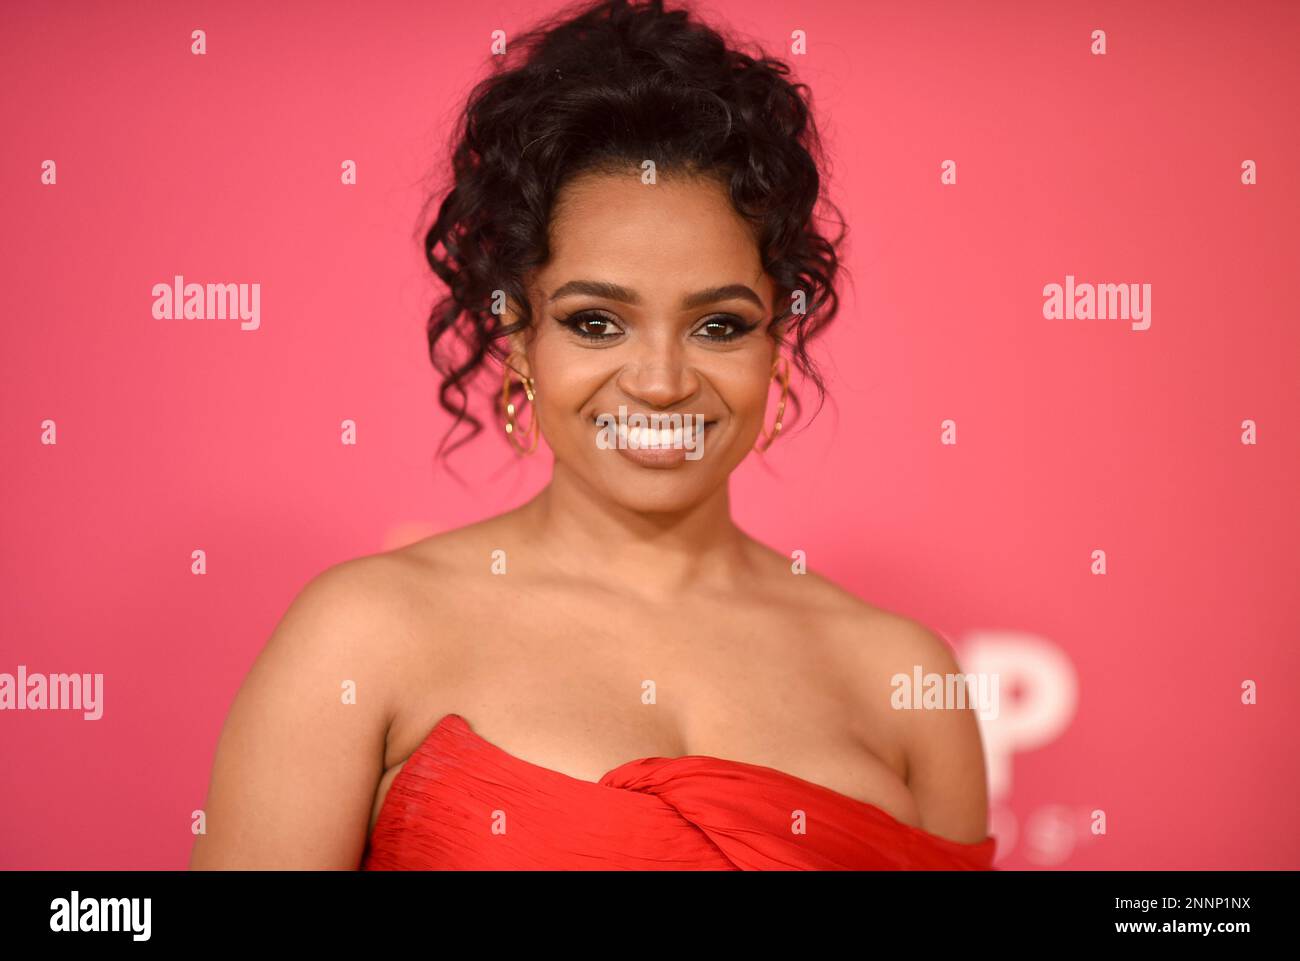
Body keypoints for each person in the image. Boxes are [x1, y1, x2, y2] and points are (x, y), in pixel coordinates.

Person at [190, 0, 995, 870]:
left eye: (718, 325)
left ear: (778, 342)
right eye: (596, 322)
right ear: (517, 334)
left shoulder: (905, 680)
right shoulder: (362, 633)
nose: (659, 381)